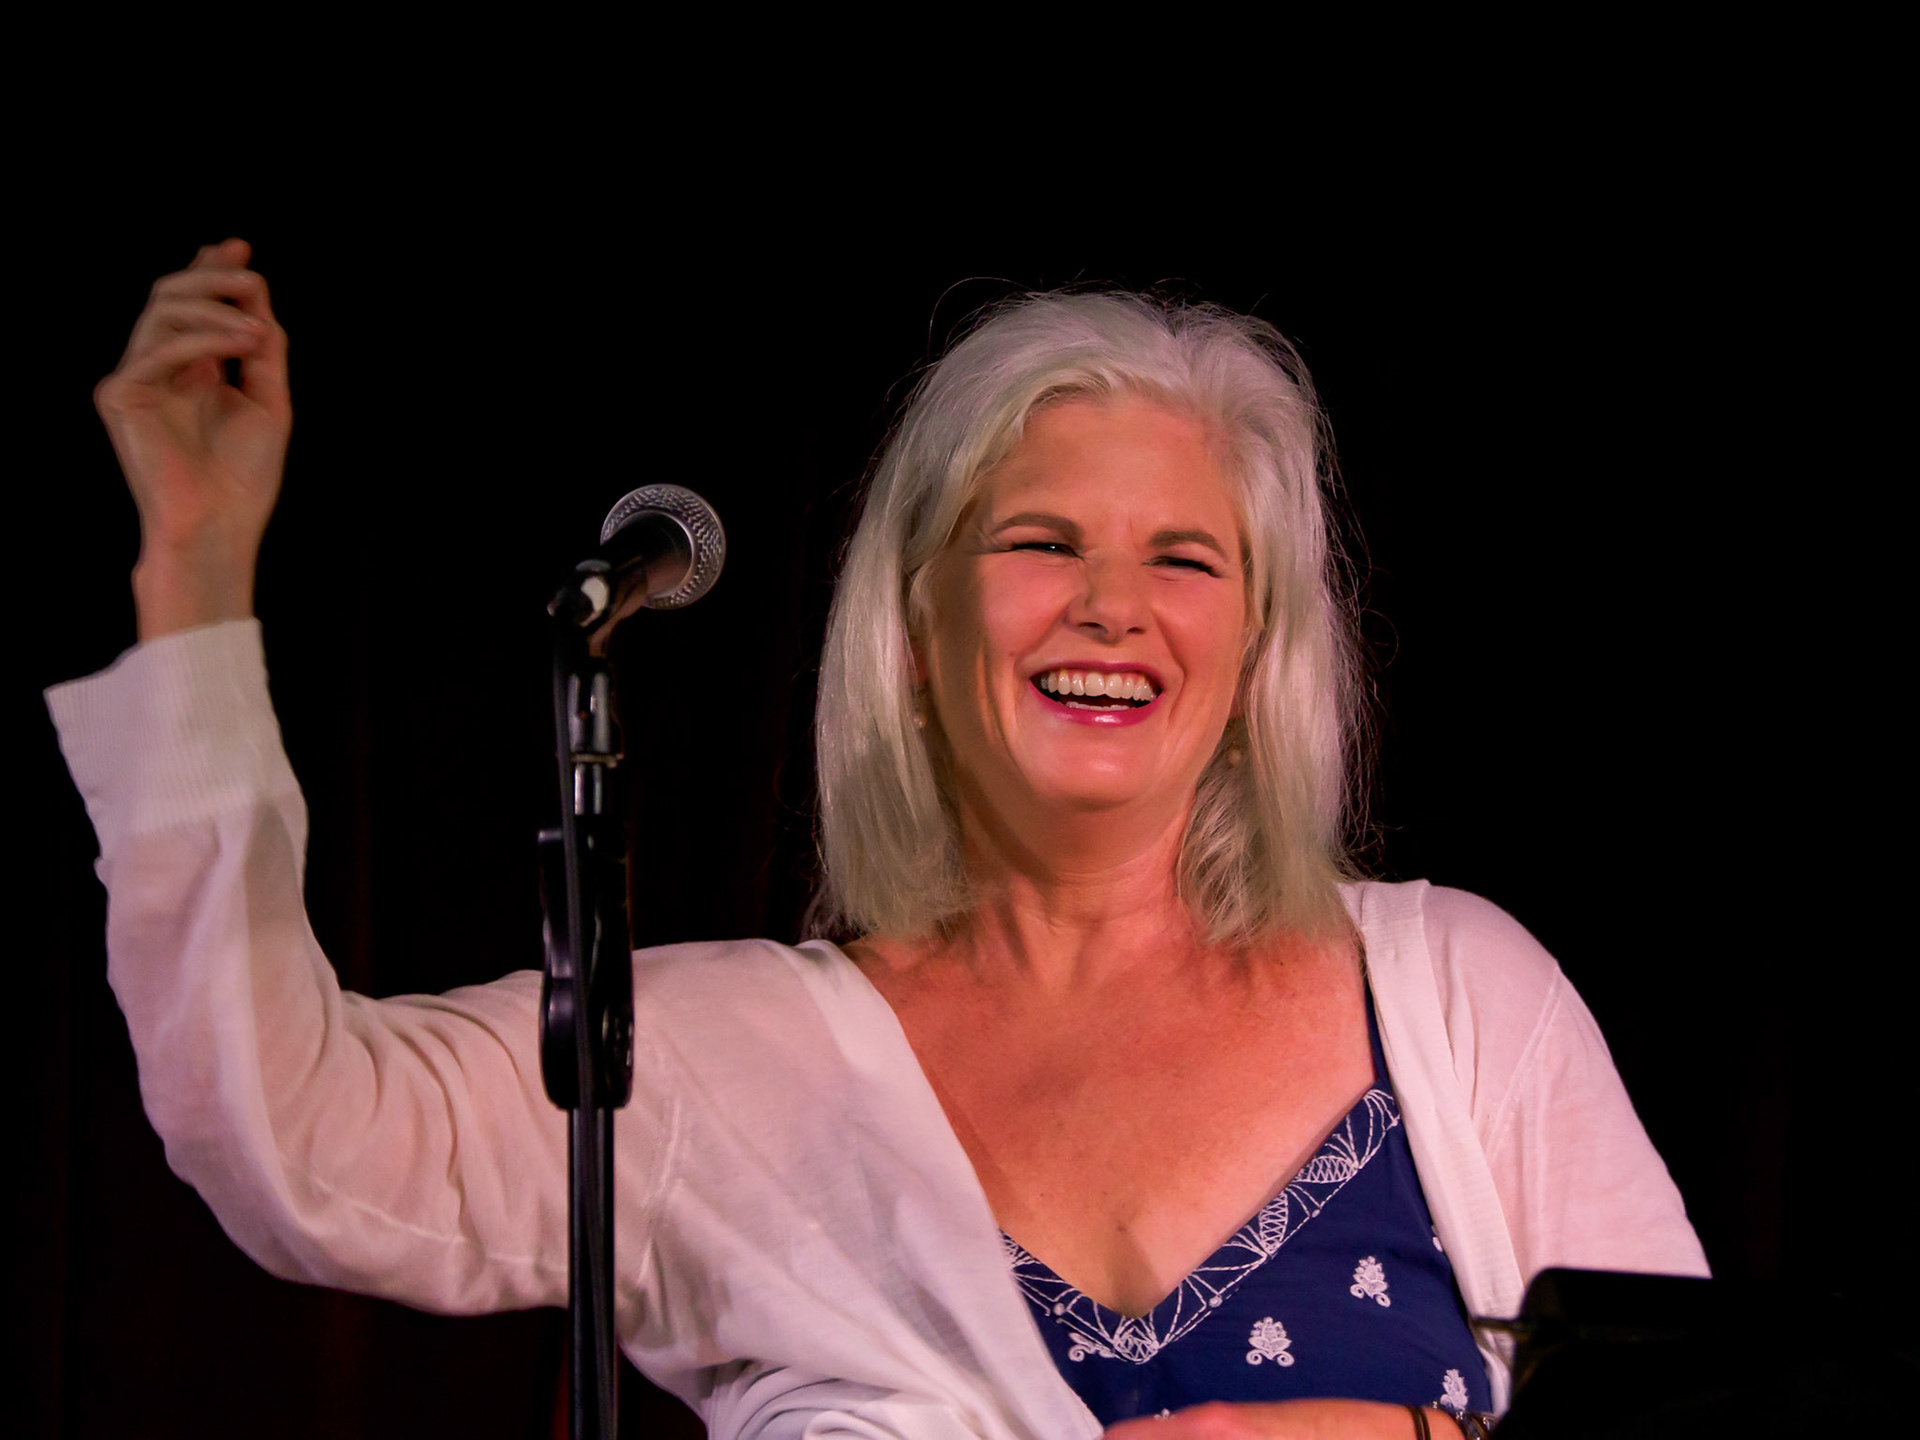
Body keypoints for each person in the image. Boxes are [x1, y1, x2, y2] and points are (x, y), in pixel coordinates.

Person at [50, 239, 1708, 1439]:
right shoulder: (723, 1068)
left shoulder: (1457, 998)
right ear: (916, 629)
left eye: (1185, 561)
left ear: (1259, 644)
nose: (1113, 608)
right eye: (1041, 542)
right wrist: (193, 569)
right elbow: (296, 1137)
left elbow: (1708, 1426)